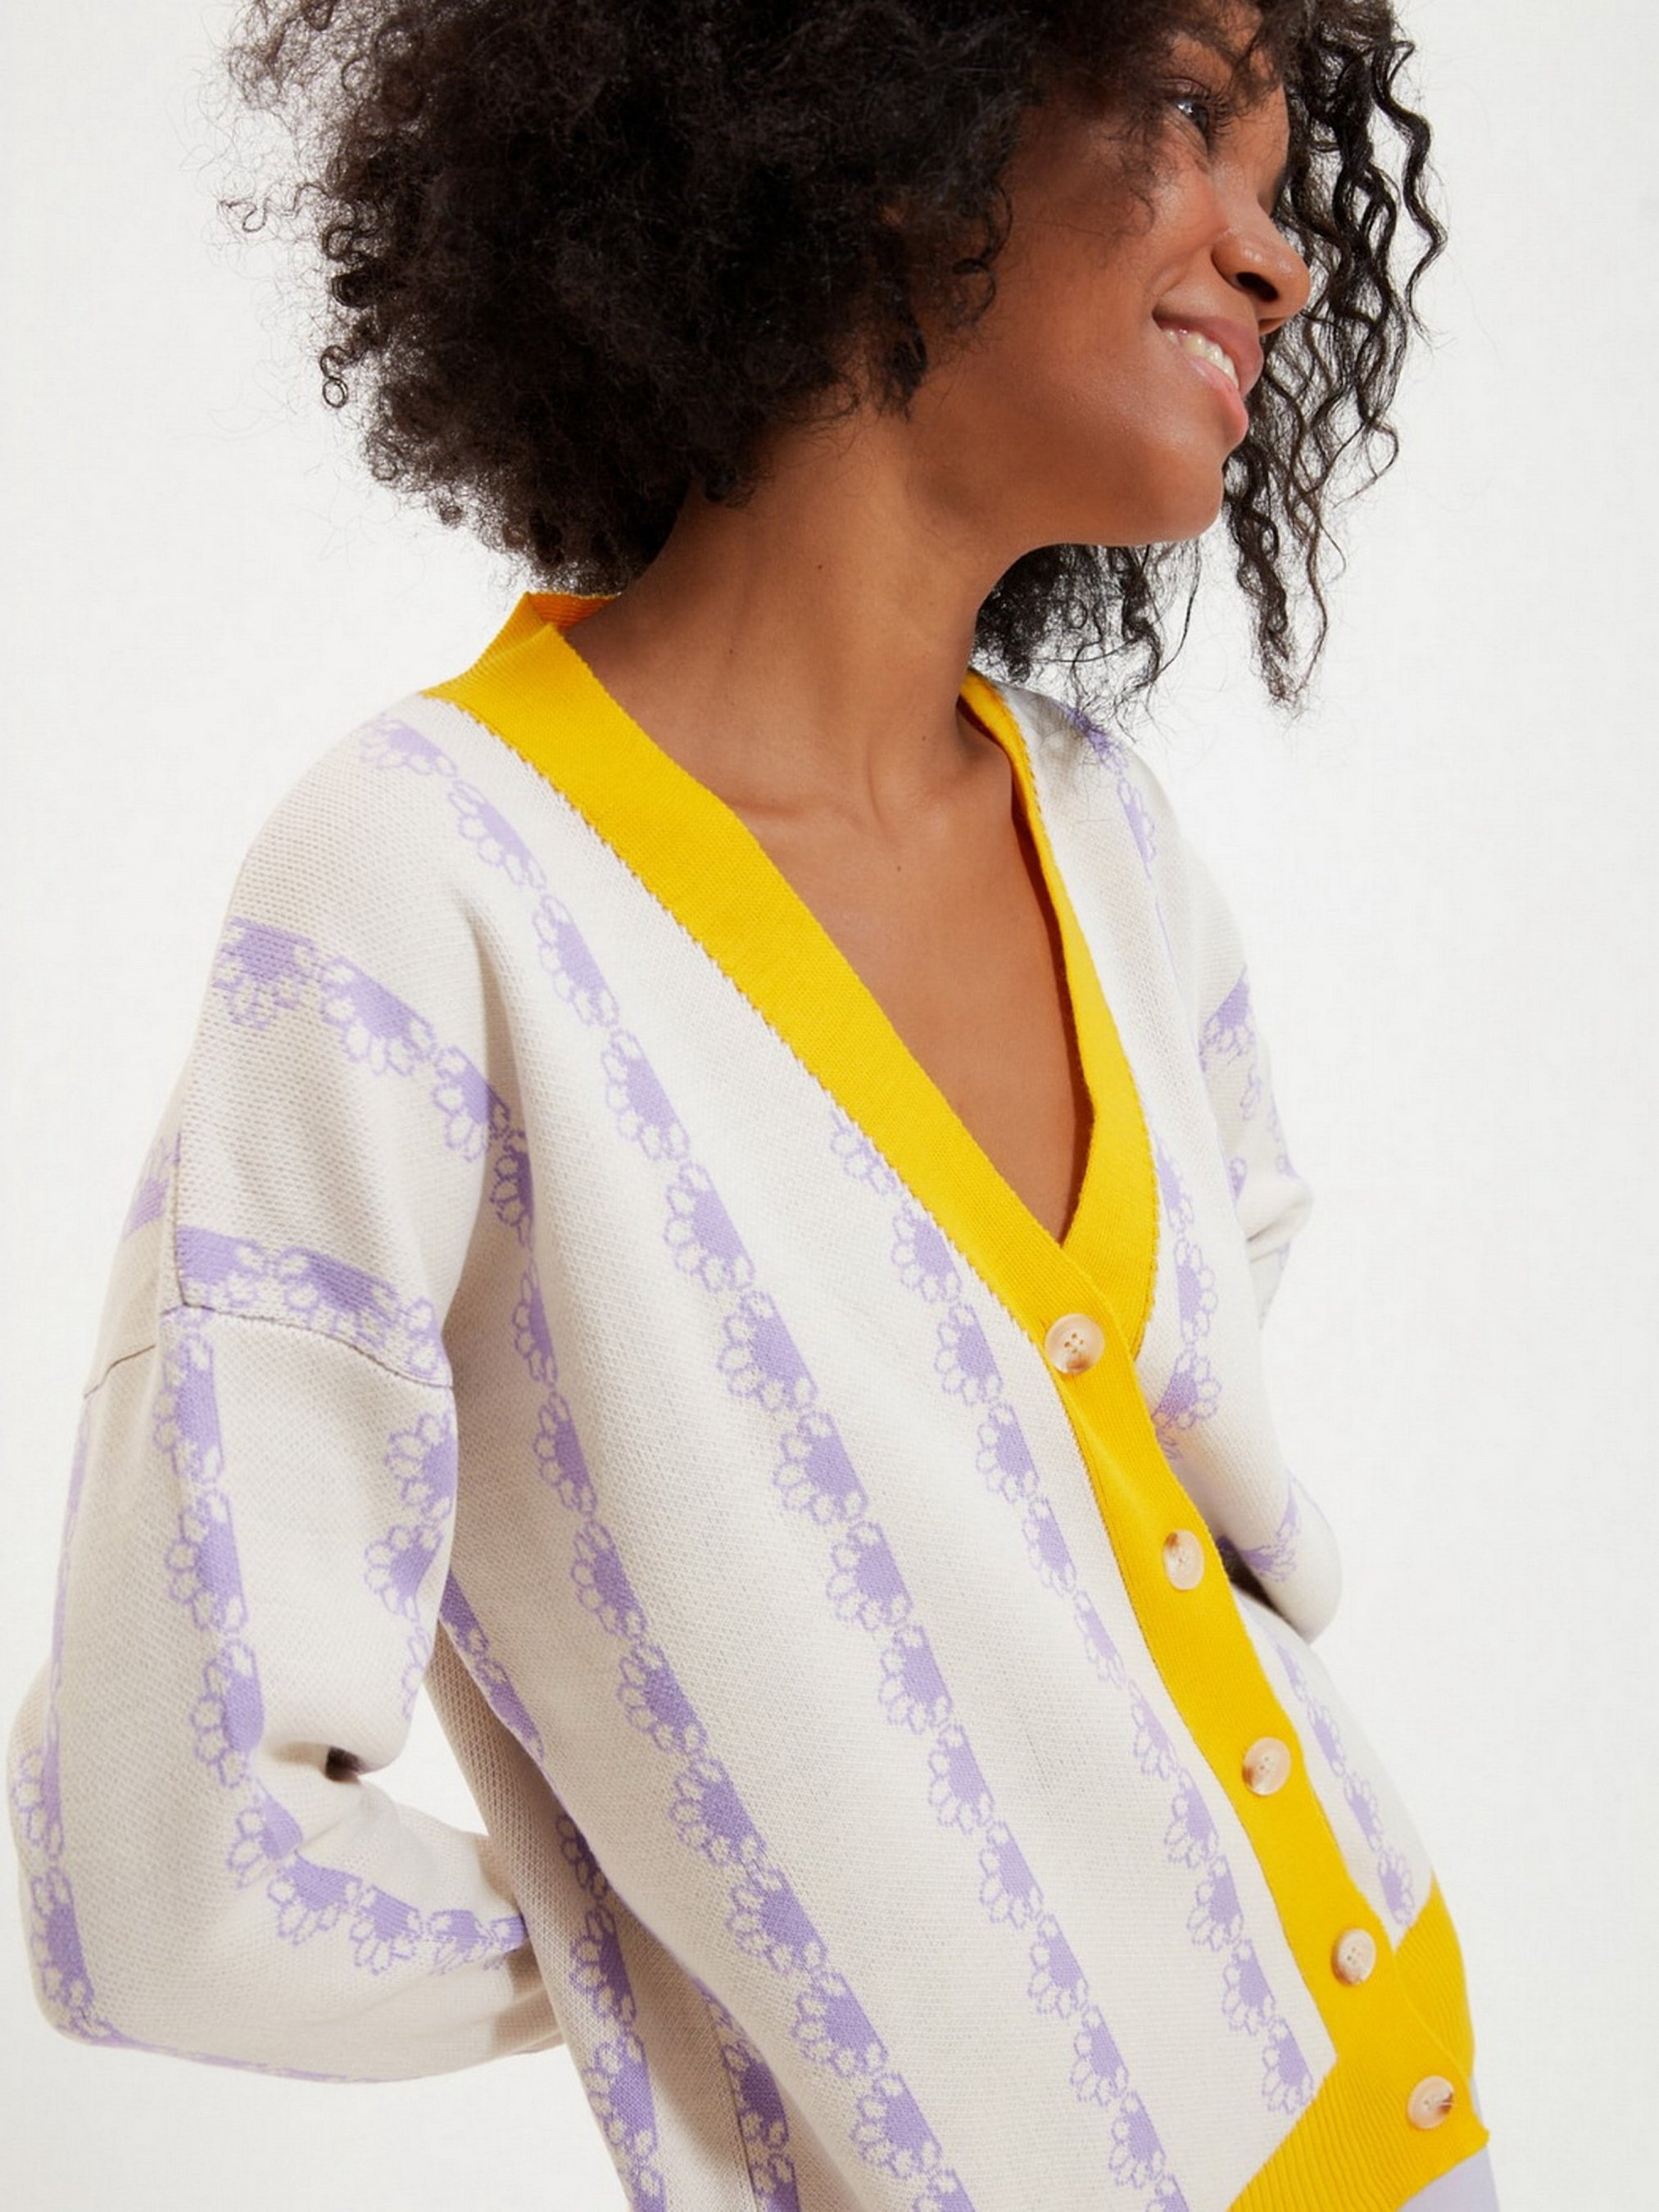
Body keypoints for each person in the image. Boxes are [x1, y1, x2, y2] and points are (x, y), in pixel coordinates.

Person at [7, 2, 1502, 2205]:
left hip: (1408, 2107)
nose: (1273, 256)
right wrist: (705, 1928)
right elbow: (159, 1881)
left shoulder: (1110, 843)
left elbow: (1138, 1502)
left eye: (1280, 181)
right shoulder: (426, 882)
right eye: (1187, 112)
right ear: (890, 118)